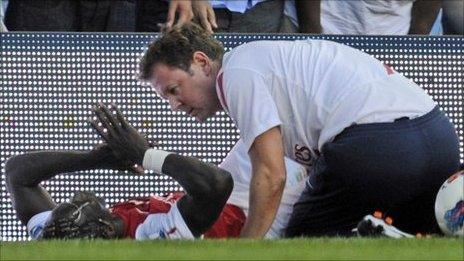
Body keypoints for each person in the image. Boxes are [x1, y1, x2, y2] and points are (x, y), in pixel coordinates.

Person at [137, 22, 461, 238]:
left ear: (202, 62)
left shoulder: (236, 74)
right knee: (421, 240)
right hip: (439, 141)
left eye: (174, 90)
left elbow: (272, 176)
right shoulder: (268, 69)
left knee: (300, 241)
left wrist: (244, 252)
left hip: (376, 146)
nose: (173, 106)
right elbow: (262, 182)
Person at [5, 103, 308, 239]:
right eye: (87, 208)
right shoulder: (154, 236)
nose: (74, 202)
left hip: (233, 195)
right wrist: (144, 155)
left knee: (283, 115)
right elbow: (216, 184)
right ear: (104, 232)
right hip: (257, 216)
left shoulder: (57, 237)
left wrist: (97, 159)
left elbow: (18, 173)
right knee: (315, 142)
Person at [286, 0, 441, 35]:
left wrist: (411, 52)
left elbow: (426, 11)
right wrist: (311, 38)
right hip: (323, 20)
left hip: (393, 32)